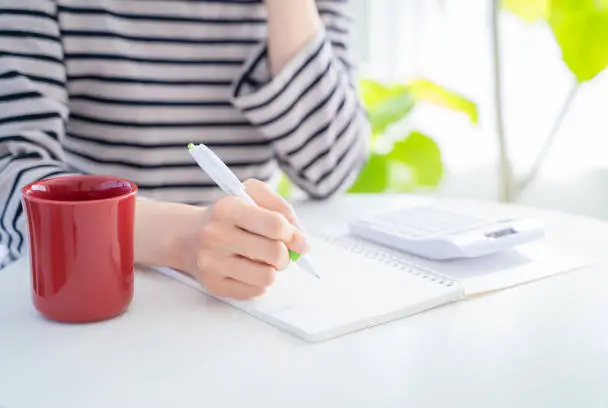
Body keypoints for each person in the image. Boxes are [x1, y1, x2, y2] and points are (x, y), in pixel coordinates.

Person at [0, 0, 370, 299]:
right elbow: (10, 169)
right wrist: (180, 238)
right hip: (89, 284)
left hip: (238, 301)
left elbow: (330, 167)